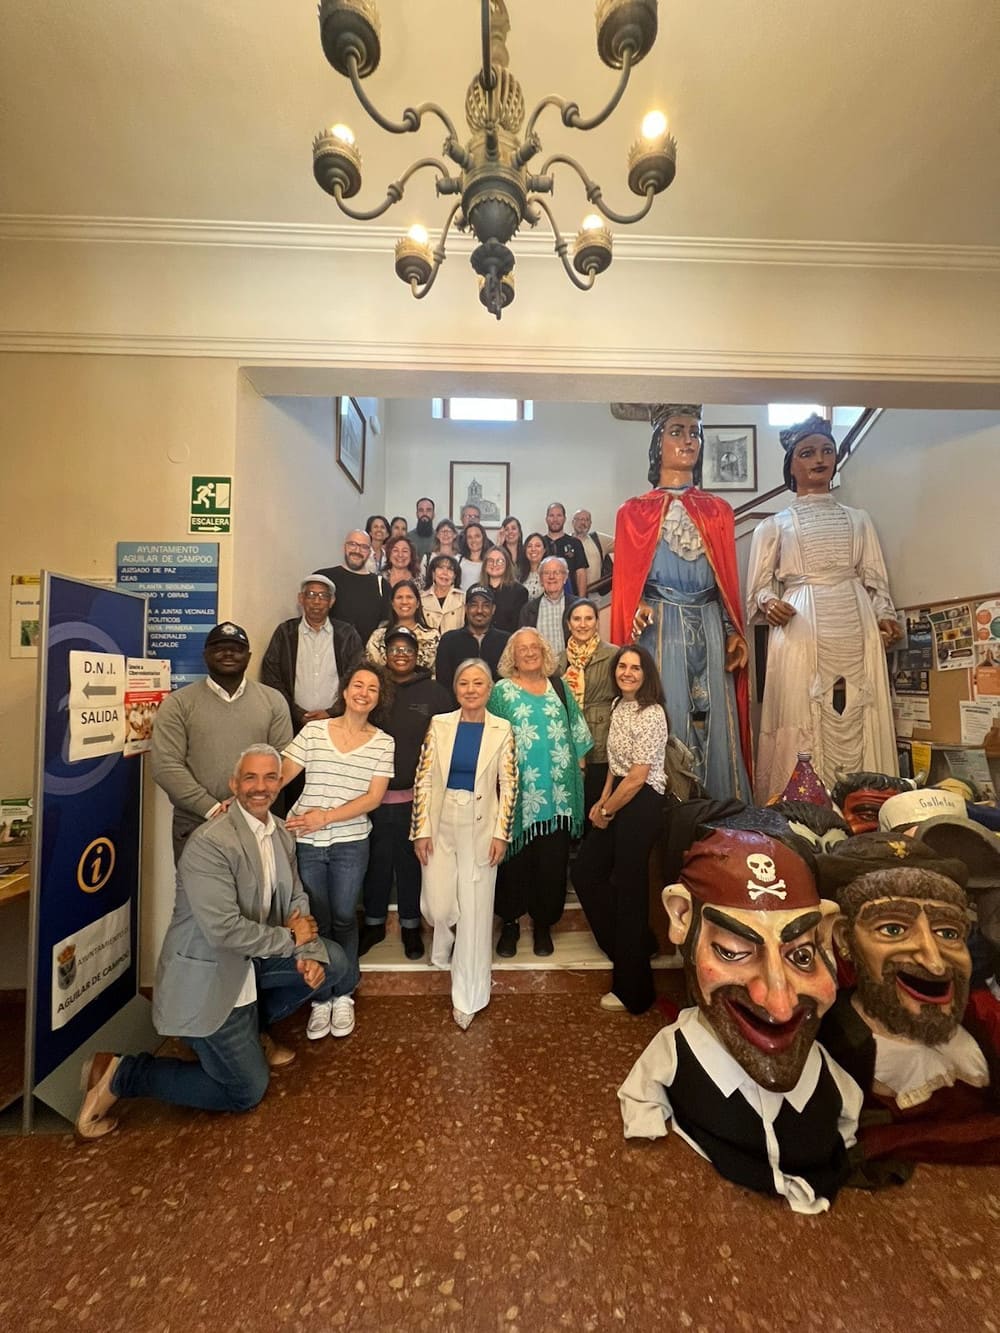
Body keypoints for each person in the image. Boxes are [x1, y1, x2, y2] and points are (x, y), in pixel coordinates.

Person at [75, 746, 353, 1140]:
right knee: (246, 1090)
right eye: (251, 778)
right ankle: (122, 1074)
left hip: (251, 961)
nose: (260, 787)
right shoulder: (210, 843)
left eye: (270, 777)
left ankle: (252, 1032)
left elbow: (295, 897)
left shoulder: (279, 833)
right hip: (210, 977)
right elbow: (224, 931)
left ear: (280, 782)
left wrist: (306, 952)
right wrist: (292, 938)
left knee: (333, 961)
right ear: (234, 784)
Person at [618, 829, 861, 1213]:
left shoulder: (820, 1068)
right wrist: (649, 1138)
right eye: (732, 952)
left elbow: (849, 1109)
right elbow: (641, 1094)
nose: (780, 1004)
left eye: (801, 956)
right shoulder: (680, 1047)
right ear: (681, 917)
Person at [746, 413, 902, 803]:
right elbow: (758, 588)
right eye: (807, 453)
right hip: (801, 624)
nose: (819, 459)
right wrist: (769, 602)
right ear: (791, 465)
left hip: (855, 618)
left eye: (827, 451)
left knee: (862, 704)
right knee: (801, 708)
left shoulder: (859, 520)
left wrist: (885, 615)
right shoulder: (773, 525)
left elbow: (874, 578)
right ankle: (799, 805)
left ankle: (870, 803)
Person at [817, 835, 997, 1163]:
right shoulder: (833, 1051)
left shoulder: (983, 1019)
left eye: (948, 933)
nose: (934, 962)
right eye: (893, 929)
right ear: (844, 938)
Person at [611, 404, 752, 802]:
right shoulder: (633, 511)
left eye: (695, 432)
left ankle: (720, 804)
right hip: (661, 622)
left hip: (708, 619)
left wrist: (732, 629)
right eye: (676, 431)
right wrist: (637, 603)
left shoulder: (718, 511)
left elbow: (725, 580)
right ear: (658, 443)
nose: (689, 440)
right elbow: (628, 580)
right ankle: (669, 805)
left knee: (715, 713)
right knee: (666, 709)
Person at [280, 663, 395, 1039]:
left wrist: (325, 817)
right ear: (344, 692)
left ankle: (344, 992)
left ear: (378, 699)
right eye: (358, 685)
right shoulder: (314, 731)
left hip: (350, 841)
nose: (364, 693)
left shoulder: (383, 742)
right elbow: (282, 774)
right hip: (307, 841)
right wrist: (247, 796)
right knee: (318, 918)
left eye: (372, 689)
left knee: (345, 917)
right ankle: (320, 996)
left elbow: (373, 798)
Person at [412, 659, 518, 1028]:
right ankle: (444, 938)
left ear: (489, 690)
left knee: (475, 913)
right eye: (464, 683)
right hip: (440, 822)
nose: (471, 689)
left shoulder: (502, 728)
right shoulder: (439, 724)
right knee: (439, 906)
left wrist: (501, 833)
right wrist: (421, 829)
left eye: (478, 683)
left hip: (481, 825)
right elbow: (424, 778)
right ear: (455, 689)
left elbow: (510, 785)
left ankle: (469, 996)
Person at [573, 645, 668, 1014]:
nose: (627, 672)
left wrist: (606, 811)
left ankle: (634, 992)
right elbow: (616, 765)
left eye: (635, 668)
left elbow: (639, 777)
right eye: (622, 666)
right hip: (619, 796)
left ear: (647, 675)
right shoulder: (618, 705)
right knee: (585, 872)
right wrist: (602, 800)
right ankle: (634, 947)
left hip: (643, 803)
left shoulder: (652, 713)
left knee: (630, 892)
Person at [488, 628, 592, 958]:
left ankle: (544, 924)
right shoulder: (501, 691)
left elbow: (577, 730)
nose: (530, 652)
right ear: (512, 656)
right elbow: (490, 736)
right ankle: (510, 924)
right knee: (513, 863)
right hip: (517, 794)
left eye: (535, 647)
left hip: (558, 795)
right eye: (522, 649)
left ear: (544, 651)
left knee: (552, 863)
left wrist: (580, 767)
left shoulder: (558, 686)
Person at [151, 622, 292, 864]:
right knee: (199, 889)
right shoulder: (178, 703)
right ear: (205, 655)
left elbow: (283, 759)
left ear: (248, 657)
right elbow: (165, 766)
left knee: (261, 888)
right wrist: (214, 809)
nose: (228, 654)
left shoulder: (273, 701)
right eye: (219, 648)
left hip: (258, 820)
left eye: (236, 649)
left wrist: (244, 807)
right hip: (197, 822)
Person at [359, 627, 452, 960]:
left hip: (417, 799)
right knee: (376, 862)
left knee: (412, 864)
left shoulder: (435, 693)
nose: (401, 654)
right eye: (395, 649)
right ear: (385, 654)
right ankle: (373, 923)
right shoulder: (374, 689)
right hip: (371, 798)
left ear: (417, 655)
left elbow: (448, 739)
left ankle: (411, 926)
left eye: (407, 649)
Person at [259, 575, 364, 732]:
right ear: (301, 599)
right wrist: (297, 713)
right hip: (293, 723)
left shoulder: (347, 634)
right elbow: (271, 675)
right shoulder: (285, 633)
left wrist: (331, 712)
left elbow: (358, 674)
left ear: (332, 601)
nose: (316, 601)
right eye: (311, 595)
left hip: (337, 722)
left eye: (323, 596)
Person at [556, 599, 622, 819]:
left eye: (588, 618)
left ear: (596, 622)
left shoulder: (613, 655)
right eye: (577, 619)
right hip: (569, 742)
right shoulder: (559, 660)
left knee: (595, 803)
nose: (582, 624)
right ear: (568, 624)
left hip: (601, 741)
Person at [435, 584, 510, 702]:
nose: (479, 610)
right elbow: (443, 686)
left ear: (493, 609)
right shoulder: (449, 641)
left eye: (486, 606)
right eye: (474, 605)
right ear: (466, 608)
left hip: (498, 708)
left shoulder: (507, 641)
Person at [314, 531, 388, 643]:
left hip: (365, 653)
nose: (357, 551)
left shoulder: (381, 585)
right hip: (327, 651)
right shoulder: (324, 579)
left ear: (369, 552)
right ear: (344, 547)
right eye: (352, 544)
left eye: (364, 547)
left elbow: (384, 628)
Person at [366, 578, 440, 671]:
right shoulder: (378, 636)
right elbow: (371, 669)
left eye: (409, 597)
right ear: (392, 604)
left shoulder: (433, 636)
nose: (404, 602)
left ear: (418, 603)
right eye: (399, 597)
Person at [519, 555, 570, 654]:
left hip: (571, 663)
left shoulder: (577, 606)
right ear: (541, 579)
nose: (551, 577)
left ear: (565, 577)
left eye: (557, 572)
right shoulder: (528, 610)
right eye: (546, 573)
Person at [542, 501, 588, 598]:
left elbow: (581, 573)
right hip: (544, 598)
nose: (555, 519)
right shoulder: (540, 543)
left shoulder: (575, 543)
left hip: (570, 598)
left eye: (559, 515)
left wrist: (581, 601)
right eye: (551, 515)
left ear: (564, 519)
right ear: (546, 519)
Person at [481, 545, 528, 633]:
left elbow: (520, 627)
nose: (494, 564)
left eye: (500, 561)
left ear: (507, 564)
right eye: (490, 561)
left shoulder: (519, 592)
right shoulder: (477, 590)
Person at [571, 507, 615, 595]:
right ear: (573, 522)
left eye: (586, 520)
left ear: (590, 523)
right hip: (572, 596)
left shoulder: (598, 539)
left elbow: (623, 545)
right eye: (579, 519)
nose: (583, 523)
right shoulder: (566, 542)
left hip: (595, 594)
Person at [421, 554, 466, 635]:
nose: (445, 573)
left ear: (455, 576)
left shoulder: (463, 598)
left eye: (450, 569)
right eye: (441, 568)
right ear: (433, 573)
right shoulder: (421, 599)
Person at [421, 518, 461, 583]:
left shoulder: (461, 559)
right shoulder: (427, 558)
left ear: (455, 535)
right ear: (437, 535)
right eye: (442, 531)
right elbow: (422, 580)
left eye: (449, 531)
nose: (445, 534)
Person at [458, 521, 490, 588]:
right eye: (469, 537)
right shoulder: (458, 560)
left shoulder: (490, 562)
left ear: (483, 538)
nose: (473, 540)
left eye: (477, 536)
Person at [519, 531, 547, 599]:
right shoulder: (518, 575)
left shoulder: (550, 574)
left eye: (537, 546)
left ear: (544, 550)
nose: (533, 549)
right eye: (529, 546)